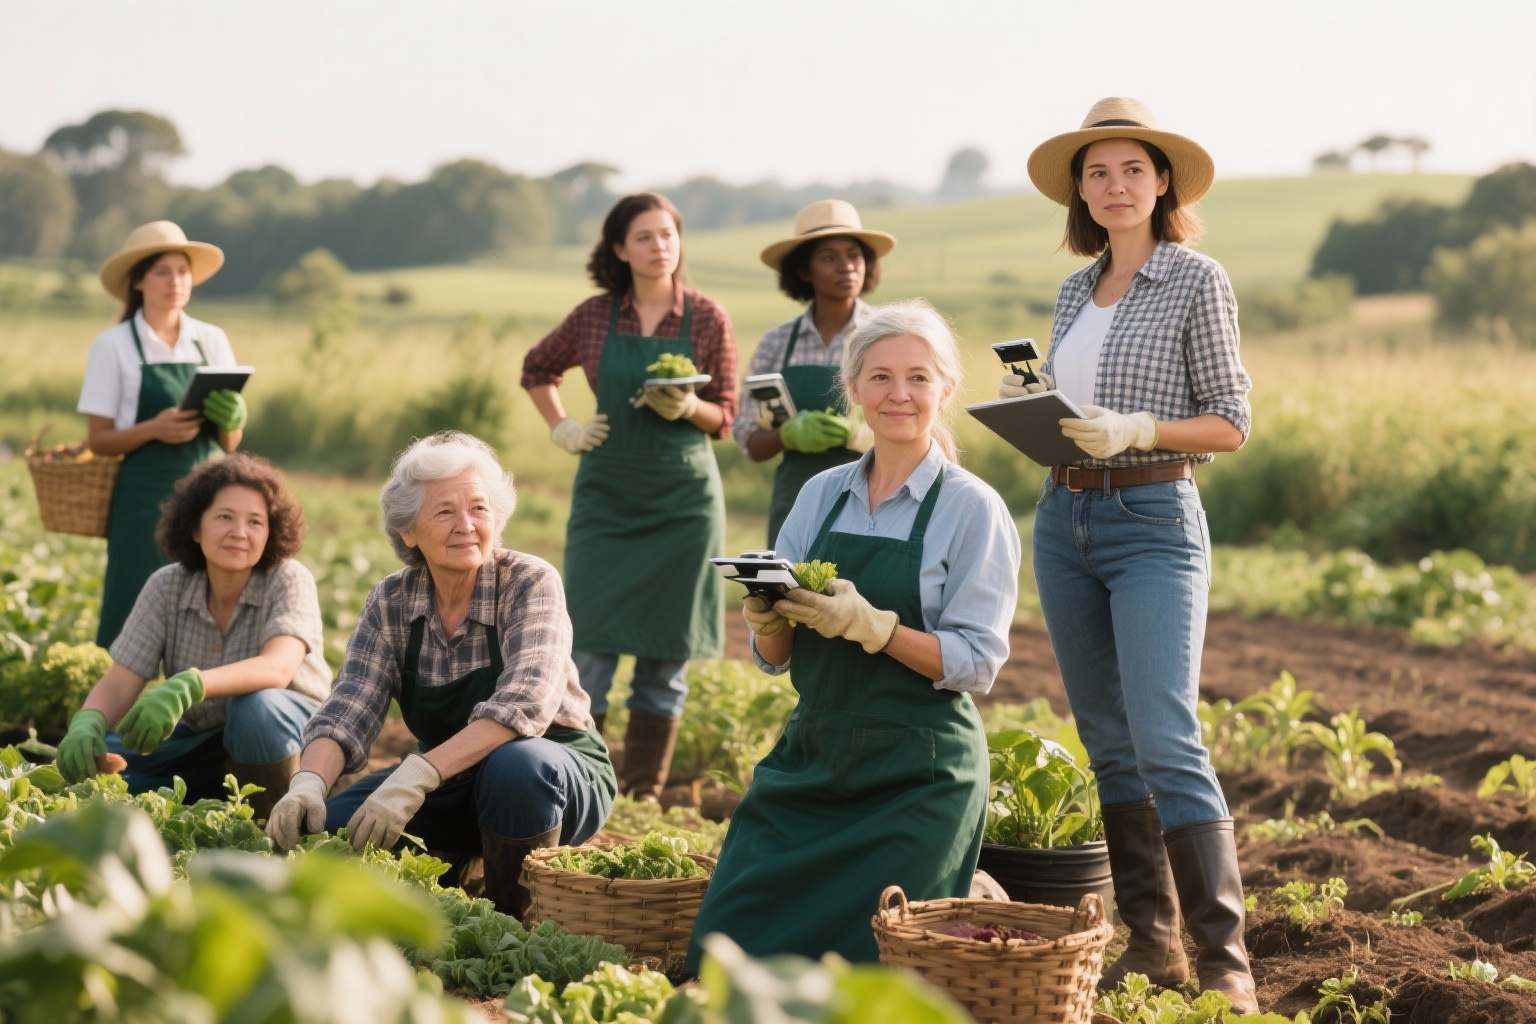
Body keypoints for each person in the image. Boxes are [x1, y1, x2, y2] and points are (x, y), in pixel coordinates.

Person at [1006, 98, 1256, 1010]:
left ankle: (1225, 964)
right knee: (1110, 745)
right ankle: (1152, 944)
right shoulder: (1076, 290)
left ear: (1162, 184)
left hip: (1154, 520)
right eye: (1097, 172)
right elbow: (1072, 422)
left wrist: (1142, 427)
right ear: (1080, 189)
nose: (1115, 187)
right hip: (1064, 521)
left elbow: (1232, 422)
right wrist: (1033, 408)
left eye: (1133, 171)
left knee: (1165, 737)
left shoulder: (1197, 279)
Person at [685, 300, 1021, 970]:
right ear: (855, 391)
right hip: (814, 759)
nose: (899, 393)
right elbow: (775, 660)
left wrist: (875, 628)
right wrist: (769, 619)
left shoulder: (969, 507)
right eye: (881, 377)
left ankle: (969, 899)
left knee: (866, 976)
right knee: (722, 956)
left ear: (945, 390)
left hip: (919, 774)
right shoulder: (821, 495)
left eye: (919, 378)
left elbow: (975, 663)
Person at [264, 432, 615, 920]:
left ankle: (513, 918)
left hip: (552, 774)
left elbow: (526, 703)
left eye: (479, 508)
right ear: (409, 531)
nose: (466, 525)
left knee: (516, 766)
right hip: (447, 778)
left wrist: (420, 771)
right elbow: (349, 707)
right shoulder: (391, 601)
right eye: (445, 512)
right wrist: (306, 783)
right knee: (330, 835)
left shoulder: (529, 582)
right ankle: (457, 864)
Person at [520, 193, 737, 801]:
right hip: (606, 499)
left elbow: (727, 416)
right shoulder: (594, 316)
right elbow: (536, 368)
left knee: (667, 661)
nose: (659, 246)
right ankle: (581, 780)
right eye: (643, 237)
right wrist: (562, 425)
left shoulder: (707, 318)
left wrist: (690, 405)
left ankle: (642, 793)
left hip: (683, 503)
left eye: (667, 234)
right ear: (619, 249)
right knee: (587, 651)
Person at [54, 454, 330, 819]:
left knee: (255, 708)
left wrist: (191, 683)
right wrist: (88, 720)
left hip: (291, 733)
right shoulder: (167, 586)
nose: (240, 532)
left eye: (255, 522)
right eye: (224, 517)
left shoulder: (289, 579)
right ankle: (212, 793)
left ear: (271, 532)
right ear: (196, 528)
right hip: (201, 738)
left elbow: (277, 669)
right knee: (107, 761)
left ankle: (278, 822)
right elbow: (122, 682)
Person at [79, 221, 250, 650]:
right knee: (128, 607)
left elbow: (230, 444)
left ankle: (202, 708)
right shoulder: (113, 345)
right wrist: (153, 429)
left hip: (208, 498)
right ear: (138, 281)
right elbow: (98, 440)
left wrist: (233, 417)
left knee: (206, 608)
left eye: (182, 271)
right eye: (162, 271)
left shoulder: (211, 340)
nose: (176, 282)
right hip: (141, 505)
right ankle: (109, 712)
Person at [734, 200, 895, 547]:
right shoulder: (776, 344)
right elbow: (749, 439)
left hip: (873, 495)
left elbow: (919, 425)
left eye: (854, 255)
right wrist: (787, 436)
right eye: (828, 258)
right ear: (804, 271)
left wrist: (859, 436)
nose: (846, 267)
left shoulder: (886, 336)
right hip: (794, 500)